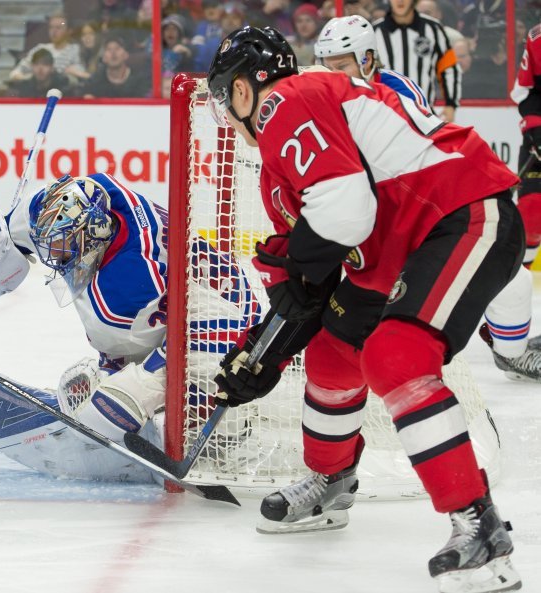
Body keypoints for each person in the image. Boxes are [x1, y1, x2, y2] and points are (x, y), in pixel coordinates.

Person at [208, 26, 521, 592]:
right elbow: (305, 285)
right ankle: (330, 482)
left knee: (396, 357)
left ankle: (477, 525)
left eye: (223, 96)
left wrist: (300, 269)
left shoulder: (288, 99)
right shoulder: (283, 153)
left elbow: (344, 214)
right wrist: (265, 351)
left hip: (459, 211)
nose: (224, 114)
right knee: (332, 352)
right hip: (398, 244)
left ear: (245, 89)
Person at [0, 173, 255, 481]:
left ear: (92, 233)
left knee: (102, 416)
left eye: (63, 248)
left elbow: (145, 344)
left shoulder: (128, 283)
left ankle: (214, 429)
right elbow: (5, 233)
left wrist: (113, 378)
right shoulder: (90, 196)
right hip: (200, 293)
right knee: (106, 394)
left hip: (225, 326)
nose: (54, 257)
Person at [315, 15, 539, 384]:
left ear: (367, 60)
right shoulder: (324, 98)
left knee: (511, 279)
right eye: (328, 67)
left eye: (341, 66)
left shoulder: (396, 90)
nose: (333, 75)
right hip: (371, 218)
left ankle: (510, 353)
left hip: (414, 209)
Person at [373, 0, 460, 122]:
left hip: (425, 113)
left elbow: (449, 68)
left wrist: (451, 104)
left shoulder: (434, 28)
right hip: (386, 115)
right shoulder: (374, 32)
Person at [8, 13, 85, 84]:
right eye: (51, 27)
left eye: (58, 28)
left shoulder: (76, 50)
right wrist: (31, 78)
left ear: (69, 31)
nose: (54, 31)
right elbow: (16, 72)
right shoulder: (40, 49)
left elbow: (79, 74)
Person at [80, 34, 150, 99]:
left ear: (126, 55)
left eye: (117, 48)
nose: (113, 53)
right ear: (104, 58)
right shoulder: (96, 80)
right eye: (108, 49)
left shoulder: (139, 79)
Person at [5, 48, 69, 98]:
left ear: (52, 68)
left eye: (45, 64)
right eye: (36, 64)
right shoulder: (22, 88)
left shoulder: (63, 89)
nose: (40, 68)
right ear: (31, 66)